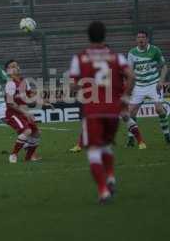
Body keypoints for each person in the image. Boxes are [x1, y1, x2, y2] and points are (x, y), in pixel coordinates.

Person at [69, 21, 134, 204]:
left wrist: (80, 86)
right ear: (104, 35)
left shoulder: (79, 57)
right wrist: (125, 96)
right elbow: (131, 76)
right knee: (106, 145)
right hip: (113, 110)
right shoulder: (116, 56)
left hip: (92, 110)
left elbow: (73, 86)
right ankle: (111, 176)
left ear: (88, 36)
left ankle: (103, 190)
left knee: (93, 150)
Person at [127, 30, 169, 146]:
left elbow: (164, 67)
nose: (141, 39)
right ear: (136, 39)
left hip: (153, 84)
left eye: (143, 37)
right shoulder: (131, 53)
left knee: (159, 109)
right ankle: (131, 139)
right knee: (130, 112)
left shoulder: (155, 50)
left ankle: (167, 135)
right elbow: (129, 71)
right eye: (139, 37)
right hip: (139, 86)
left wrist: (161, 81)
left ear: (147, 39)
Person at [4, 60, 41, 163]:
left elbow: (30, 94)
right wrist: (25, 113)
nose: (15, 67)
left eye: (16, 65)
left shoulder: (24, 81)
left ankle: (28, 158)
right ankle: (13, 154)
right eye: (12, 66)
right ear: (8, 71)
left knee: (36, 133)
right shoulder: (10, 84)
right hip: (12, 113)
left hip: (23, 112)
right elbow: (10, 103)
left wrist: (43, 100)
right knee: (27, 131)